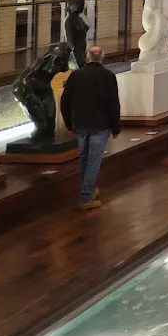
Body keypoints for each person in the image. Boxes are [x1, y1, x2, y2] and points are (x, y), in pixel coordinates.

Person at [60, 45, 120, 211]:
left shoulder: (76, 75)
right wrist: (116, 127)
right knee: (93, 161)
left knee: (85, 159)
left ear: (87, 58)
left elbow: (65, 101)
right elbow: (113, 104)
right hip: (100, 125)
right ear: (102, 58)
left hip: (80, 123)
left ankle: (90, 190)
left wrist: (68, 123)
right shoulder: (108, 76)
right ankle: (85, 197)